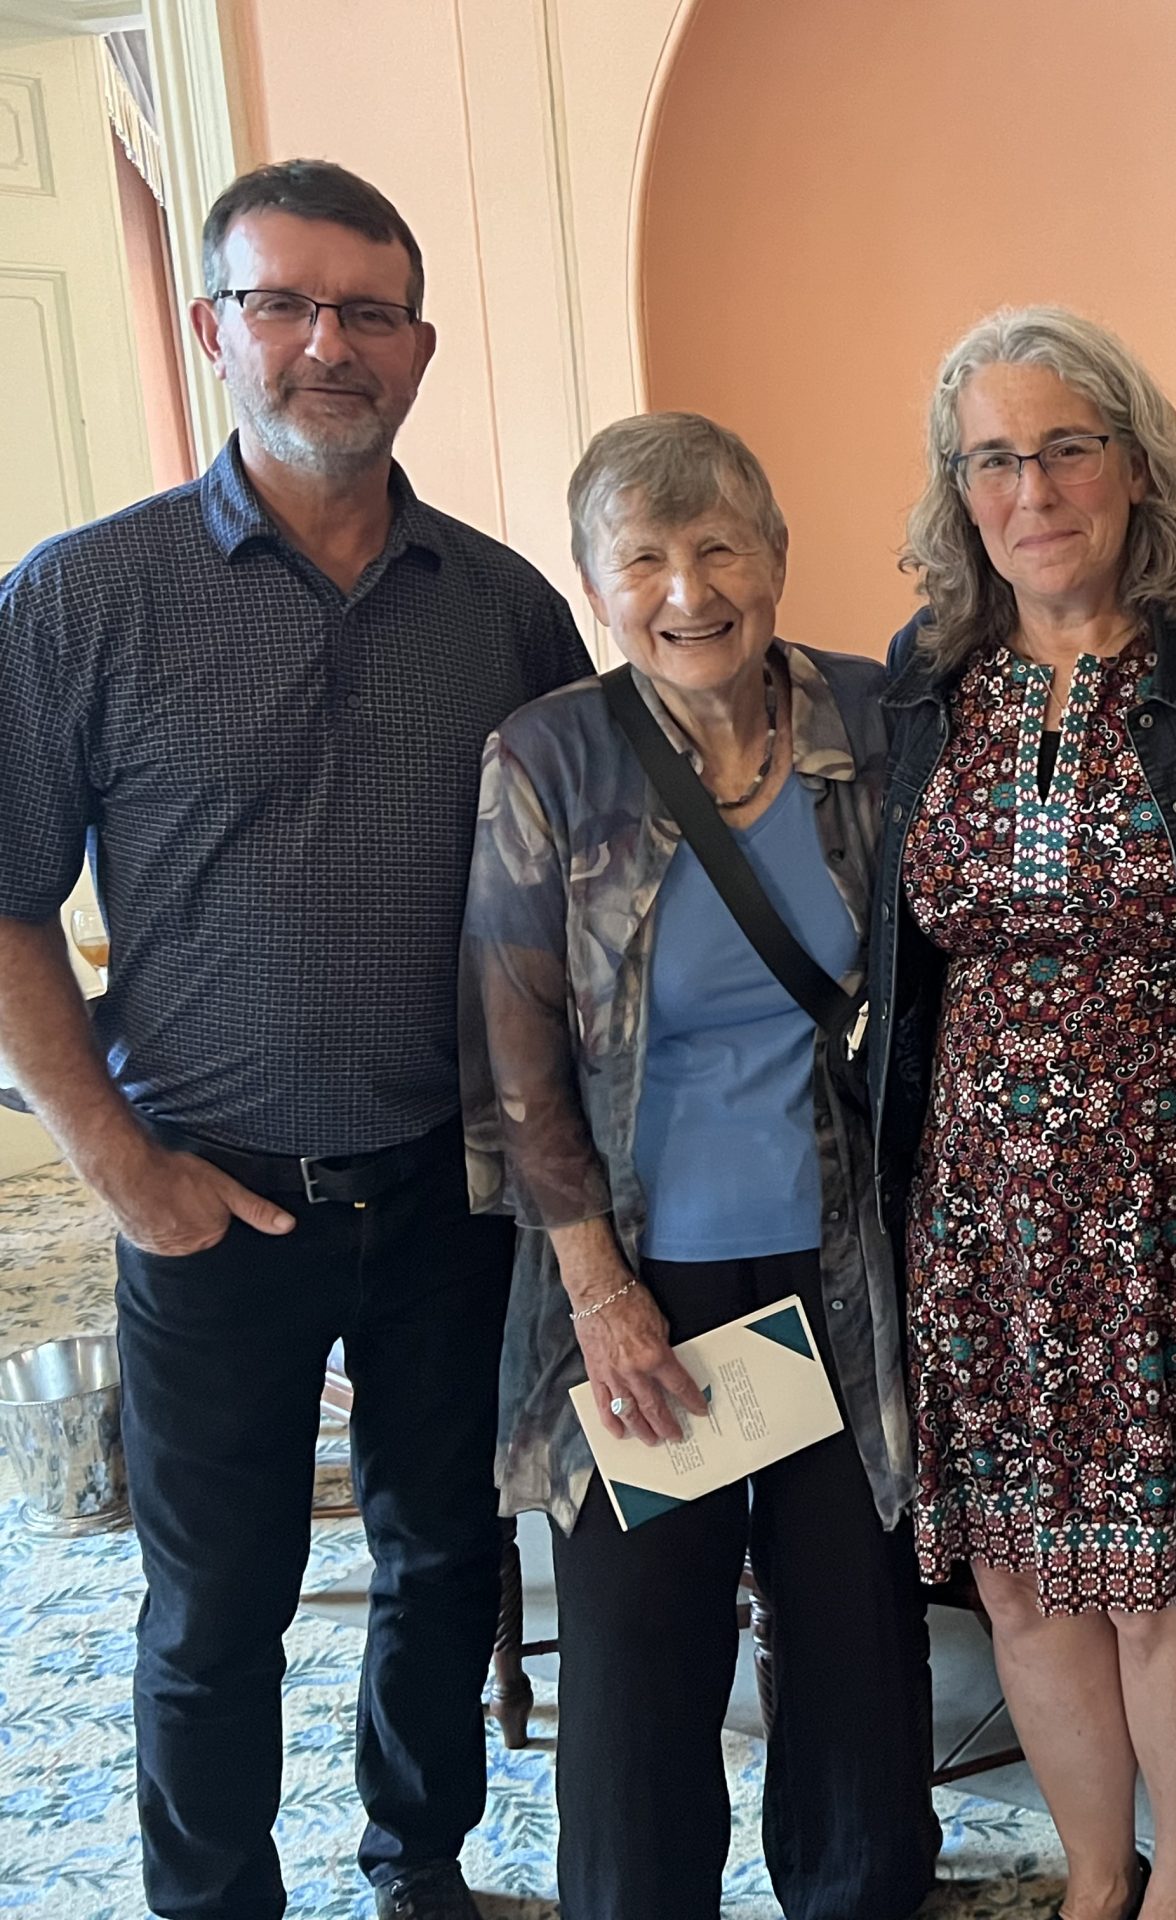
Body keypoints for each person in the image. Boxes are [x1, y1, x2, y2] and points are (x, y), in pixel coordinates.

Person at [0, 161, 591, 1920]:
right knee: (214, 1604)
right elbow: (8, 900)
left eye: (371, 311)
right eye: (285, 304)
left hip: (443, 1192)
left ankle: (420, 1870)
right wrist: (121, 1171)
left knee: (442, 1562)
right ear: (215, 330)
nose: (329, 343)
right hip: (210, 1193)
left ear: (420, 347)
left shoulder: (504, 613)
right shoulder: (81, 599)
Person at [872, 307, 1176, 1920]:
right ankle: (1092, 1881)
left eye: (1067, 443)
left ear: (1136, 463)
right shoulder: (926, 683)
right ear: (961, 490)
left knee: (1169, 1579)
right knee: (1020, 1574)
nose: (1034, 484)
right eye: (994, 456)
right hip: (983, 1207)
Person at [460, 412, 934, 1920]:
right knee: (642, 1665)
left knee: (858, 1646)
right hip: (648, 1282)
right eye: (643, 559)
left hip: (847, 1271)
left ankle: (858, 1897)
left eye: (720, 545)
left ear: (778, 559)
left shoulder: (875, 725)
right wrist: (597, 1290)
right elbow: (517, 1045)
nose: (688, 588)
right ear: (597, 586)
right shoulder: (554, 755)